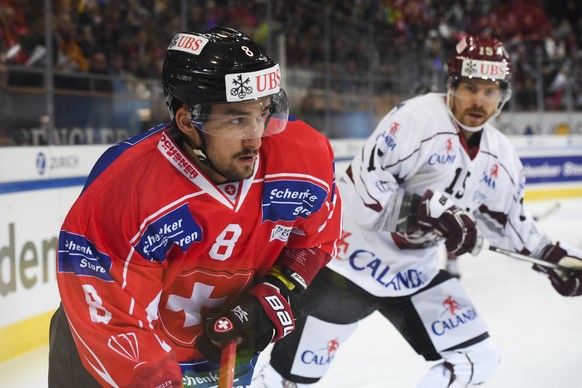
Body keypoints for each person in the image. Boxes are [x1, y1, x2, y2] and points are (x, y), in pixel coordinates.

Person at [257, 35, 582, 387]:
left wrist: (552, 257)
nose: (478, 100)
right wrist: (425, 211)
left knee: (478, 360)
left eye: (489, 91)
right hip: (347, 265)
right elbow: (365, 191)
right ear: (452, 86)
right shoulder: (415, 119)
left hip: (415, 276)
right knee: (287, 381)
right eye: (470, 87)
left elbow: (511, 223)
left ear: (503, 97)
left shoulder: (501, 156)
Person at [47, 27, 342, 388]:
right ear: (188, 121)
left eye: (262, 113)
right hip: (106, 355)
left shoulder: (302, 157)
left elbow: (314, 240)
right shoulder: (125, 188)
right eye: (236, 119)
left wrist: (275, 291)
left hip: (219, 354)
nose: (255, 137)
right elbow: (107, 318)